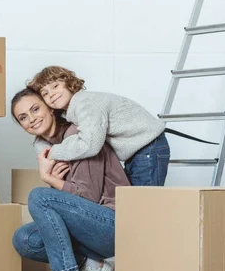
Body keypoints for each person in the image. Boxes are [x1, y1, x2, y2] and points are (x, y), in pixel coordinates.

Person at [11, 88, 130, 271]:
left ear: (50, 107)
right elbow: (68, 208)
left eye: (35, 109)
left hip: (115, 224)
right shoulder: (52, 147)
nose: (32, 119)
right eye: (23, 117)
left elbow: (88, 198)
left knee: (40, 196)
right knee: (25, 239)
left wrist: (50, 179)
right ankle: (94, 264)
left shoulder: (78, 136)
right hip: (92, 228)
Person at [27, 66, 170, 187]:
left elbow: (90, 145)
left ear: (68, 83)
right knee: (133, 203)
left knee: (143, 205)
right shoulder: (73, 110)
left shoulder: (85, 104)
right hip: (140, 150)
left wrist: (51, 153)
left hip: (148, 147)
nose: (52, 94)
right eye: (45, 93)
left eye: (55, 86)